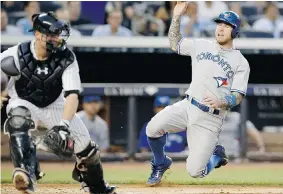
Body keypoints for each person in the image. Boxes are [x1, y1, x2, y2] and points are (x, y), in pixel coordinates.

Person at [0, 12, 116, 194]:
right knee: (17, 119)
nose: (57, 38)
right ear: (38, 35)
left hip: (55, 104)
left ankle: (96, 186)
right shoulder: (15, 54)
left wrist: (64, 125)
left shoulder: (67, 58)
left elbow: (72, 95)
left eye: (58, 34)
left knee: (87, 149)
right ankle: (25, 172)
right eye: (52, 34)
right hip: (24, 102)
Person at [145, 2, 250, 186]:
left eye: (227, 26)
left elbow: (238, 96)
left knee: (195, 171)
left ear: (235, 31)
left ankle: (216, 156)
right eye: (219, 24)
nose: (221, 28)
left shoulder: (240, 62)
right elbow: (174, 43)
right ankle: (160, 163)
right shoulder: (201, 45)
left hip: (210, 118)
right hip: (188, 105)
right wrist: (176, 17)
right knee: (152, 128)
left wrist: (221, 101)